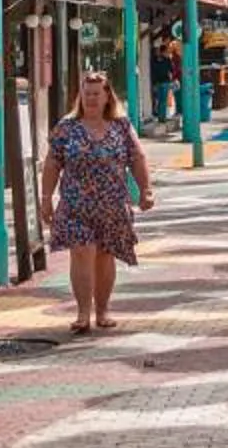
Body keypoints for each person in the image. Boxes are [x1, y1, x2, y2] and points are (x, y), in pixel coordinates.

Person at [39, 71, 154, 335]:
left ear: (106, 97)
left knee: (104, 256)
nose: (90, 98)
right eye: (86, 93)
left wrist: (146, 189)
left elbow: (137, 157)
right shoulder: (67, 127)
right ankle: (82, 313)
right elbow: (52, 162)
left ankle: (102, 310)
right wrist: (46, 199)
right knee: (82, 251)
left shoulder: (121, 126)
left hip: (112, 205)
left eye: (96, 94)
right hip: (75, 205)